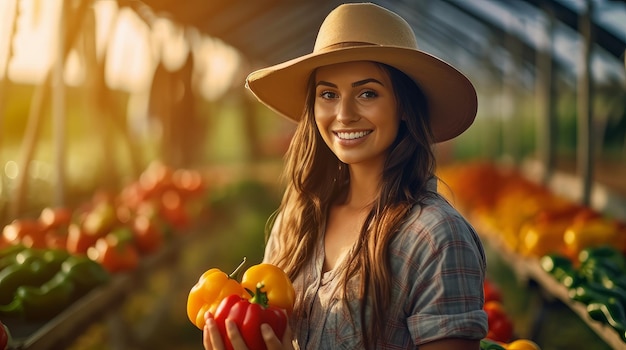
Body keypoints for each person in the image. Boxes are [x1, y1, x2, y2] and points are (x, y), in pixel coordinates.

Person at [204, 3, 488, 349]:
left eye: (367, 93)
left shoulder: (435, 237)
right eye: (328, 94)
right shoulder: (297, 221)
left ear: (403, 106)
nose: (344, 113)